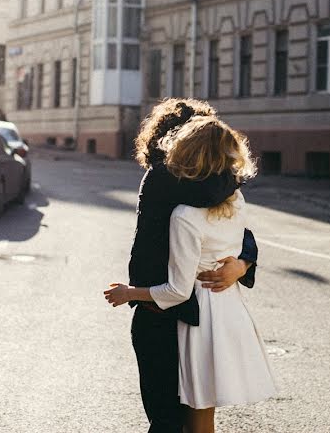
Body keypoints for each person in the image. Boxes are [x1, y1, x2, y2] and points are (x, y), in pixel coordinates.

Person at [105, 116, 276, 433]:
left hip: (185, 315)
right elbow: (236, 226)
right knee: (198, 416)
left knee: (170, 417)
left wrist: (130, 292)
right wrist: (241, 263)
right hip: (222, 312)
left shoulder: (186, 211)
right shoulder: (231, 196)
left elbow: (178, 290)